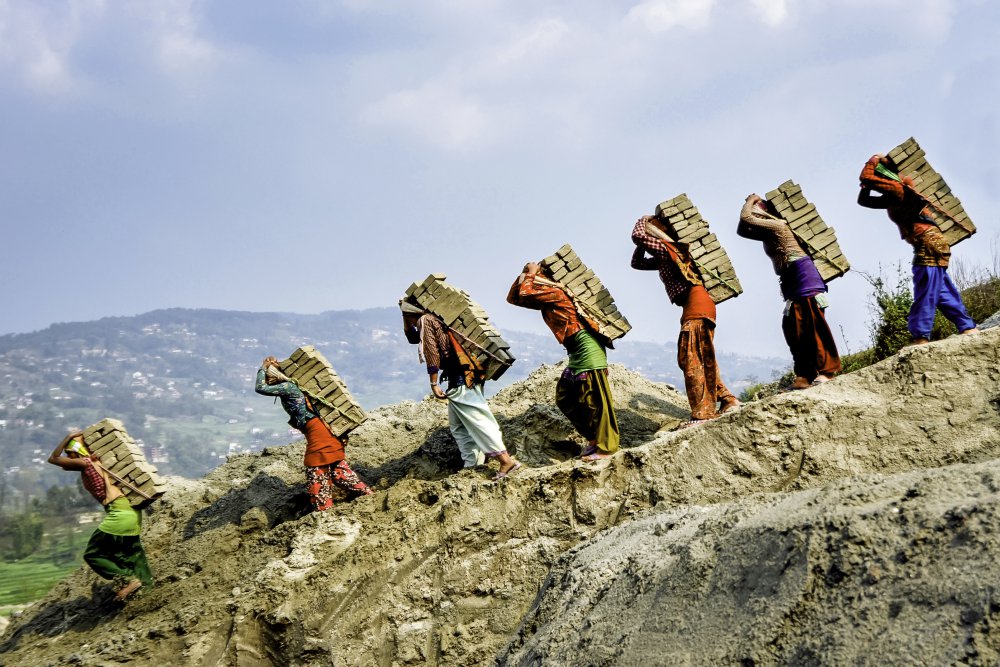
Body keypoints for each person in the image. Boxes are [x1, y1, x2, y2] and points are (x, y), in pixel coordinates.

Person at [630, 216, 740, 426]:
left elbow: (637, 235)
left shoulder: (671, 249)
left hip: (697, 305)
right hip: (694, 307)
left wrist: (644, 220)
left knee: (693, 359)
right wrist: (647, 240)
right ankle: (727, 399)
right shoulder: (665, 256)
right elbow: (637, 263)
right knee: (696, 356)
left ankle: (703, 413)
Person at [858, 154, 979, 344]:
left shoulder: (899, 189)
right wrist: (866, 187)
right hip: (929, 243)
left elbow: (866, 177)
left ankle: (921, 335)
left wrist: (873, 160)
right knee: (940, 289)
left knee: (925, 285)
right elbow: (864, 201)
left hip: (929, 242)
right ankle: (967, 326)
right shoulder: (892, 198)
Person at [506, 263, 620, 459]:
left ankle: (607, 448)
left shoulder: (556, 292)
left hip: (588, 350)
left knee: (596, 402)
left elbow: (525, 293)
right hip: (575, 353)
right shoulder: (546, 297)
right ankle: (593, 438)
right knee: (565, 397)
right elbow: (514, 298)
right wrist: (523, 274)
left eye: (534, 278)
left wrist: (531, 273)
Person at [400, 302, 521, 478]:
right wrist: (405, 315)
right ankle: (472, 465)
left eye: (406, 315)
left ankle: (505, 461)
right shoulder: (436, 319)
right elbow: (412, 337)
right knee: (459, 426)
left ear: (412, 312)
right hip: (465, 376)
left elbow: (431, 354)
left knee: (478, 420)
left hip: (460, 378)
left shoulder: (426, 320)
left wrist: (434, 383)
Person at [737, 194, 841, 389]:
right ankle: (804, 375)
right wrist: (749, 206)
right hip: (790, 281)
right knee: (793, 328)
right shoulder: (766, 233)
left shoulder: (778, 226)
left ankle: (827, 371)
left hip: (804, 276)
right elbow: (742, 229)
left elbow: (746, 218)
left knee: (813, 325)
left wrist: (749, 201)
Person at [255, 357, 372, 511]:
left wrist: (263, 368)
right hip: (322, 429)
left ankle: (323, 508)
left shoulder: (287, 387)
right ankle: (365, 493)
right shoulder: (293, 386)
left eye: (269, 377)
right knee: (336, 467)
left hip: (318, 431)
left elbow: (260, 387)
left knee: (316, 468)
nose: (268, 380)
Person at [47, 432, 153, 601]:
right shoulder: (99, 464)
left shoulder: (86, 463)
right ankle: (149, 591)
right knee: (132, 554)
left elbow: (53, 459)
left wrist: (67, 437)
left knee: (93, 554)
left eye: (69, 453)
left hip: (118, 515)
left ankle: (128, 579)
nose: (67, 457)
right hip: (133, 513)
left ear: (77, 452)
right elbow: (65, 466)